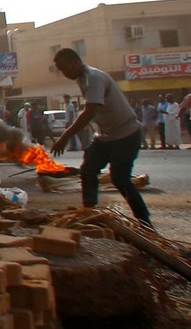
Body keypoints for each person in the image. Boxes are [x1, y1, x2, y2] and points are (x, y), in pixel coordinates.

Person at [50, 49, 151, 229]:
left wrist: (65, 137)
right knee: (88, 170)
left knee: (120, 179)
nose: (63, 74)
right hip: (106, 136)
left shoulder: (93, 77)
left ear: (75, 62)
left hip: (125, 134)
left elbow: (89, 111)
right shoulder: (83, 79)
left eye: (64, 68)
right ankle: (89, 212)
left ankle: (145, 223)